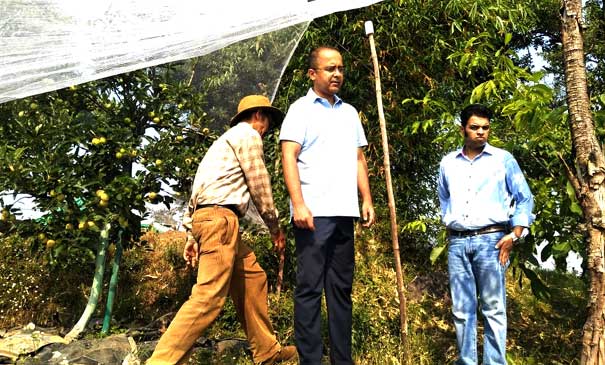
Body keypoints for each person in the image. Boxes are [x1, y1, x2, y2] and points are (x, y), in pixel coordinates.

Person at [146, 95, 297, 365]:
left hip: (214, 220)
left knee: (253, 278)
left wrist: (193, 235)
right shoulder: (249, 135)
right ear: (259, 115)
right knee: (209, 297)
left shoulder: (222, 144)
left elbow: (199, 192)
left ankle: (267, 352)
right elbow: (259, 183)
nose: (267, 130)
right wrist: (275, 227)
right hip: (221, 221)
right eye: (268, 123)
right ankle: (160, 362)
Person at [279, 46, 375, 365]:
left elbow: (358, 158)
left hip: (344, 213)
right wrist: (299, 204)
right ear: (313, 74)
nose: (337, 74)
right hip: (313, 214)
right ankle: (310, 361)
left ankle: (342, 361)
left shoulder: (349, 113)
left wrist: (367, 199)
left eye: (340, 69)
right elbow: (288, 157)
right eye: (330, 68)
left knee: (340, 292)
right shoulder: (300, 110)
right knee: (309, 290)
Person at [437, 104, 534, 365]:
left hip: (492, 241)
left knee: (493, 308)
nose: (481, 132)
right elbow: (444, 199)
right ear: (463, 129)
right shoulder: (448, 163)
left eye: (485, 128)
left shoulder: (503, 160)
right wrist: (451, 221)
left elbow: (524, 198)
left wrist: (514, 236)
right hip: (457, 243)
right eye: (475, 127)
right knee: (461, 310)